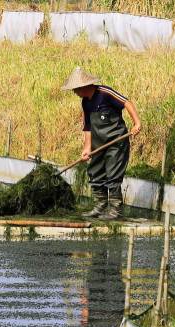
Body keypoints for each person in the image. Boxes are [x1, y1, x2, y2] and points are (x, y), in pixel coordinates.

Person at [61, 67, 141, 220]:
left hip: (116, 142)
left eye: (75, 89)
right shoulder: (85, 103)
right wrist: (87, 148)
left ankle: (115, 210)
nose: (74, 93)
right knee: (95, 172)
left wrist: (136, 123)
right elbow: (88, 126)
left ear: (84, 87)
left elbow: (127, 103)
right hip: (98, 144)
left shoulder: (105, 93)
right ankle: (100, 206)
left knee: (112, 174)